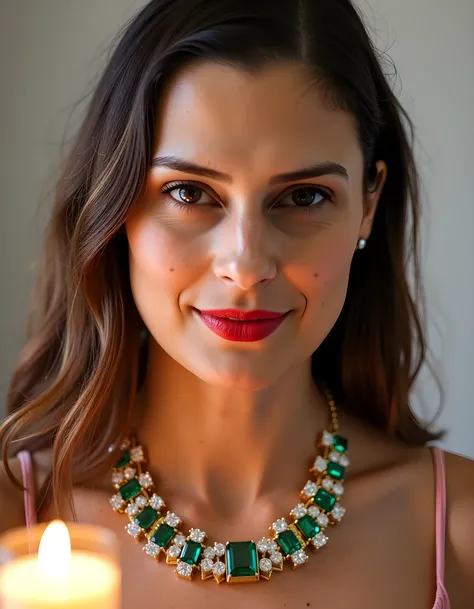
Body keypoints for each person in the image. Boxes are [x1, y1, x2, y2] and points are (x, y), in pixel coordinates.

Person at [0, 0, 472, 606]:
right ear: (114, 207)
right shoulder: (17, 524)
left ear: (368, 205)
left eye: (303, 197)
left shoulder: (456, 531)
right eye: (189, 191)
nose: (246, 266)